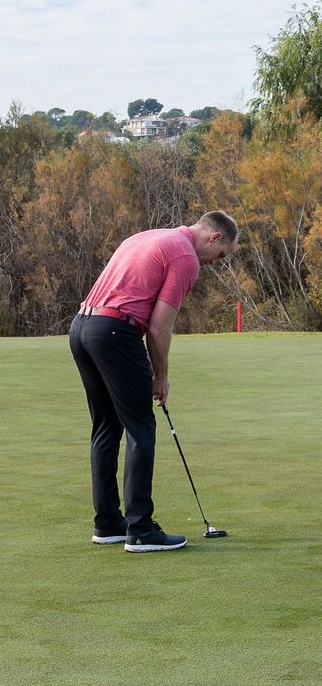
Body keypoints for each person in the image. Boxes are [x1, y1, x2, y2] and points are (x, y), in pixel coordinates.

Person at [68, 211, 238, 553]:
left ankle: (107, 524)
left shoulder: (148, 236)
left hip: (82, 327)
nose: (215, 264)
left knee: (106, 427)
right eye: (220, 256)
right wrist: (160, 376)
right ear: (214, 237)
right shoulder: (185, 256)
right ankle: (141, 529)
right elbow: (159, 328)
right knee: (141, 428)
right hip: (115, 331)